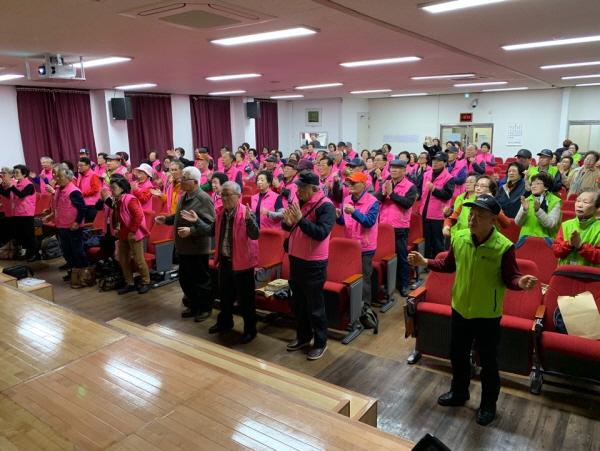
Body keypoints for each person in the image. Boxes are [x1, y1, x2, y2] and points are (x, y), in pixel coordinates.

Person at [409, 194, 538, 426]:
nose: (472, 219)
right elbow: (448, 264)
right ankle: (459, 392)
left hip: (487, 314)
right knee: (457, 354)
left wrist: (520, 282)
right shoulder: (459, 237)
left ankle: (488, 404)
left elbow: (510, 277)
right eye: (471, 214)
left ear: (493, 220)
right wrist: (425, 262)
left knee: (488, 362)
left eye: (480, 215)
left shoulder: (503, 247)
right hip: (460, 308)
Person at [283, 171, 336, 360]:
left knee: (315, 307)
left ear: (314, 189)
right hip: (296, 258)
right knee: (298, 304)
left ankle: (321, 342)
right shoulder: (300, 202)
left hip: (314, 263)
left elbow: (321, 233)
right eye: (297, 187)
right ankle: (303, 337)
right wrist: (287, 223)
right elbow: (291, 226)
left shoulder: (326, 206)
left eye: (302, 188)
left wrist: (300, 220)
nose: (297, 191)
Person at [156, 166, 215, 322]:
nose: (180, 180)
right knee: (186, 279)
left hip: (197, 247)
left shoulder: (203, 198)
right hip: (183, 247)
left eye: (184, 178)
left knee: (201, 280)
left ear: (195, 182)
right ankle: (194, 305)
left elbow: (211, 225)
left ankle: (205, 308)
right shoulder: (184, 195)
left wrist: (191, 231)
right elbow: (179, 215)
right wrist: (167, 219)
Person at [210, 181, 259, 344]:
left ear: (239, 196)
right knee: (225, 296)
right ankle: (225, 322)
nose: (224, 198)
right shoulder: (220, 212)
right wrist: (197, 223)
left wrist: (249, 221)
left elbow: (255, 235)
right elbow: (211, 231)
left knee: (246, 301)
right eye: (222, 194)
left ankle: (250, 330)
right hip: (225, 261)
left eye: (227, 195)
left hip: (243, 264)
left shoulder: (246, 212)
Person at [336, 172, 380, 310]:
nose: (350, 185)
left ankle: (365, 308)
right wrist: (338, 217)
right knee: (350, 276)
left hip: (365, 246)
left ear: (364, 185)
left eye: (354, 183)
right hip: (350, 244)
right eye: (349, 183)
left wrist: (354, 212)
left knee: (364, 278)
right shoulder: (346, 199)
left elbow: (369, 222)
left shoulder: (373, 201)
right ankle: (352, 305)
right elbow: (344, 222)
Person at [375, 160, 418, 296]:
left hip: (400, 227)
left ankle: (403, 284)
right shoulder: (386, 183)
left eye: (397, 168)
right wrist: (384, 193)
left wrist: (392, 194)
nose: (393, 170)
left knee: (401, 257)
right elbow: (377, 199)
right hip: (384, 226)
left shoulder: (410, 186)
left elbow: (407, 203)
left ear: (404, 171)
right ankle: (387, 283)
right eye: (392, 167)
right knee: (385, 257)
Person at [46, 164, 88, 287]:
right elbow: (59, 206)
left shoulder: (74, 191)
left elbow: (82, 209)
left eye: (60, 176)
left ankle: (84, 275)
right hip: (62, 225)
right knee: (67, 251)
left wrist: (77, 222)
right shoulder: (59, 189)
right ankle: (73, 272)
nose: (57, 178)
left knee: (77, 251)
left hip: (73, 226)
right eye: (57, 176)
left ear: (68, 177)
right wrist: (51, 215)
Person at [110, 177, 151, 294]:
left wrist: (132, 231)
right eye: (111, 188)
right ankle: (130, 283)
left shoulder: (130, 199)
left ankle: (146, 282)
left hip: (134, 234)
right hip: (123, 233)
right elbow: (117, 216)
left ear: (122, 189)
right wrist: (116, 228)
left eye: (114, 188)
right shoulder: (117, 200)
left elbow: (138, 216)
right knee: (123, 260)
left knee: (139, 260)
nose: (111, 190)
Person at [420, 152, 455, 259]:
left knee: (437, 241)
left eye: (438, 161)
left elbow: (448, 195)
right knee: (426, 240)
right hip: (424, 212)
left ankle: (438, 262)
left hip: (438, 215)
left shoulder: (449, 177)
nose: (435, 162)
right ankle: (426, 262)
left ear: (445, 163)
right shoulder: (426, 174)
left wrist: (434, 189)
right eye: (434, 160)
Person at [0, 165, 38, 261]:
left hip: (27, 214)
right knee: (22, 235)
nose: (15, 174)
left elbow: (21, 195)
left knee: (29, 235)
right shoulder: (17, 184)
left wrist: (12, 187)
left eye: (17, 172)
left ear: (24, 174)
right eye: (14, 172)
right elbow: (6, 194)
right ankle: (28, 254)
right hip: (17, 214)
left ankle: (35, 254)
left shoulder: (29, 185)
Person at [552, 191, 600, 266]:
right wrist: (569, 244)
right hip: (565, 271)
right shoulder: (566, 225)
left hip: (588, 272)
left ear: (597, 208)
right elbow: (556, 251)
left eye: (585, 202)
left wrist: (581, 246)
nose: (580, 205)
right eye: (578, 201)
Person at [515, 173, 562, 240]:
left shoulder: (555, 201)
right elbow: (518, 223)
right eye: (532, 184)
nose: (533, 186)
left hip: (546, 240)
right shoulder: (527, 200)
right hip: (526, 239)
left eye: (537, 183)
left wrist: (538, 211)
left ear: (546, 187)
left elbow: (550, 224)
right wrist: (524, 211)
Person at [443, 174, 477, 238]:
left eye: (471, 182)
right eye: (466, 182)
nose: (468, 184)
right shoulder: (460, 197)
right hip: (456, 233)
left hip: (470, 233)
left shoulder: (478, 199)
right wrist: (448, 212)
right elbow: (454, 214)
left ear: (477, 185)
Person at [76, 157, 101, 222]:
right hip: (83, 203)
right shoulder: (81, 175)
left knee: (90, 224)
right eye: (78, 165)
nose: (79, 167)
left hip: (92, 204)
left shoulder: (93, 175)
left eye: (81, 165)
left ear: (88, 166)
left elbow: (95, 189)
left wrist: (82, 194)